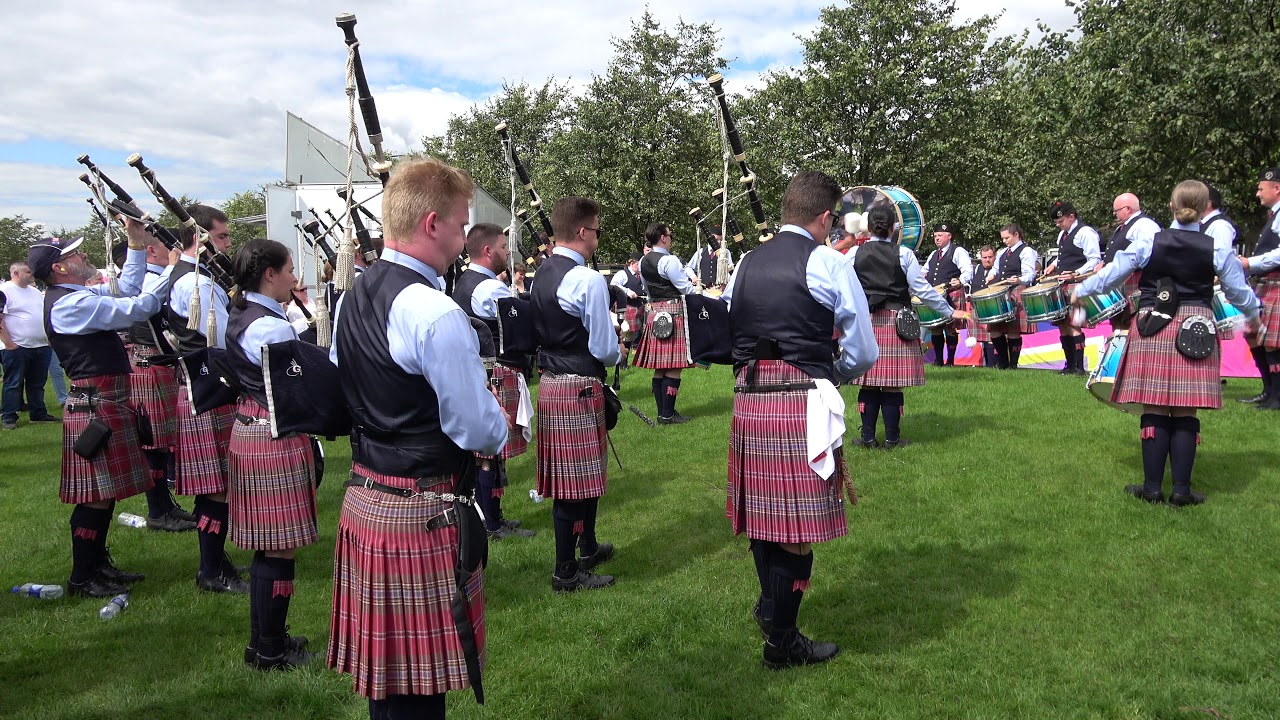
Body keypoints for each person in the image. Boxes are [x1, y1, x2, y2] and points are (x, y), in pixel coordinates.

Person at [328, 158, 507, 719]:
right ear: (432, 224)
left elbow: (345, 382)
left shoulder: (351, 297)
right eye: (460, 224)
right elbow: (476, 427)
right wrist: (501, 421)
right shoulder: (433, 311)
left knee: (395, 685)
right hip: (421, 507)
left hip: (367, 496)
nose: (463, 237)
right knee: (416, 695)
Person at [722, 170, 877, 669]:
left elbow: (731, 322)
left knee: (765, 520)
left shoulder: (744, 262)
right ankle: (782, 641)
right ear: (827, 217)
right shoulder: (828, 262)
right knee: (794, 527)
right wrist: (832, 375)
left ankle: (771, 610)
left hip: (749, 397)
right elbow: (864, 349)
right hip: (800, 399)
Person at [1073, 180, 1260, 505]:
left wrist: (1081, 290)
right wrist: (1254, 316)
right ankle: (1182, 492)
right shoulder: (1214, 246)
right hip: (1196, 326)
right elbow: (1237, 291)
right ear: (1204, 210)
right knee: (1186, 409)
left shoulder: (1149, 240)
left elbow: (1113, 273)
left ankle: (1152, 488)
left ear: (1171, 208)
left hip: (1152, 326)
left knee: (1156, 405)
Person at [31, 233, 179, 597]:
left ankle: (98, 564)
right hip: (94, 404)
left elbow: (127, 287)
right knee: (95, 495)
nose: (83, 254)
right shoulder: (69, 305)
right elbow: (138, 307)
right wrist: (174, 271)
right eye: (74, 253)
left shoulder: (77, 295)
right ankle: (83, 575)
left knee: (105, 493)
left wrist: (133, 242)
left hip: (104, 401)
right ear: (59, 267)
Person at [224, 239, 319, 670]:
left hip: (252, 427)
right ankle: (271, 650)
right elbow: (301, 385)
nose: (294, 278)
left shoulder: (247, 313)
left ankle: (263, 641)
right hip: (273, 435)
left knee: (268, 547)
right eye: (289, 270)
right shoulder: (271, 327)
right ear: (269, 274)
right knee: (279, 548)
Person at [531, 196, 621, 592]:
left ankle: (587, 547)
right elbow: (604, 348)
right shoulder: (586, 279)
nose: (598, 238)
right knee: (575, 481)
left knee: (581, 476)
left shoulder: (542, 273)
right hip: (579, 385)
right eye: (597, 231)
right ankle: (566, 570)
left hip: (552, 383)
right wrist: (619, 351)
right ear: (583, 232)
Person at [167, 205, 247, 593]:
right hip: (209, 391)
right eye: (222, 236)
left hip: (202, 390)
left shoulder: (190, 276)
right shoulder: (196, 282)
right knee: (215, 487)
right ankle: (211, 569)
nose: (228, 244)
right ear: (199, 239)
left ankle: (215, 562)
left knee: (215, 486)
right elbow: (219, 341)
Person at [452, 223, 536, 540]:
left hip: (482, 370)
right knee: (490, 454)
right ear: (488, 251)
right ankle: (491, 524)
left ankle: (494, 516)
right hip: (496, 372)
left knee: (491, 453)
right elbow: (522, 324)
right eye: (502, 247)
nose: (506, 252)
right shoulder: (489, 289)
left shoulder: (465, 283)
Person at [109, 235, 197, 533]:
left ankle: (165, 505)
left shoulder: (154, 277)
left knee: (161, 443)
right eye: (166, 245)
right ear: (151, 250)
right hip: (149, 361)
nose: (172, 250)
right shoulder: (148, 280)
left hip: (159, 361)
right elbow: (144, 308)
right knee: (153, 443)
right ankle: (158, 510)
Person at [850, 204, 957, 448]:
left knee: (868, 381)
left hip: (866, 323)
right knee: (891, 384)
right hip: (896, 322)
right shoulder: (904, 254)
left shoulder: (853, 254)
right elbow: (922, 290)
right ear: (892, 228)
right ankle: (892, 439)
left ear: (868, 228)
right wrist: (948, 310)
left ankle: (867, 438)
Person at [634, 223, 697, 424]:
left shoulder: (643, 261)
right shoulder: (670, 261)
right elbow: (685, 288)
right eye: (670, 235)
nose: (671, 238)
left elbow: (648, 289)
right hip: (674, 312)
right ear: (662, 237)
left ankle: (663, 413)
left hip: (655, 313)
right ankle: (667, 415)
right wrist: (706, 295)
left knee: (660, 367)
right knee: (674, 366)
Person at [1043, 201, 1102, 374]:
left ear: (1071, 216)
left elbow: (1094, 260)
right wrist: (1053, 265)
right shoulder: (1063, 235)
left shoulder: (1085, 233)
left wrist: (1075, 273)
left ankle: (1079, 367)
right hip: (1062, 284)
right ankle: (1069, 365)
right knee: (1063, 324)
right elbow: (1063, 256)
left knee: (1075, 324)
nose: (1058, 225)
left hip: (1079, 285)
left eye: (1060, 221)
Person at [1, 260, 59, 429]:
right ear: (15, 274)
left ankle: (38, 413)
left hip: (40, 345)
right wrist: (9, 344)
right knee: (13, 382)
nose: (31, 274)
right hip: (17, 346)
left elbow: (42, 316)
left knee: (37, 383)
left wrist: (47, 339)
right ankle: (9, 416)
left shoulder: (34, 292)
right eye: (27, 272)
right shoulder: (5, 291)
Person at [1241, 167, 1280, 410]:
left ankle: (1276, 397)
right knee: (1257, 336)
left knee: (1273, 343)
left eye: (1260, 189)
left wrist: (1250, 262)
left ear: (1277, 188)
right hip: (1266, 283)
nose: (1257, 194)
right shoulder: (1274, 216)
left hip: (1276, 282)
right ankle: (1270, 391)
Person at [1104, 194, 1162, 332]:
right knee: (1120, 327)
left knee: (1134, 326)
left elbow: (1150, 254)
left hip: (1136, 282)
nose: (1115, 215)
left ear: (1128, 209)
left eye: (1116, 211)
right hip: (1122, 284)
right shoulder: (1123, 227)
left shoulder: (1145, 225)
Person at [988, 224, 1041, 369]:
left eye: (1007, 238)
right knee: (995, 329)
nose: (1004, 241)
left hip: (1017, 289)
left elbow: (1030, 274)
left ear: (1016, 234)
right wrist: (991, 274)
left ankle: (1013, 364)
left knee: (1013, 329)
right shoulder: (1003, 252)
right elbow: (996, 268)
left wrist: (1018, 280)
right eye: (1003, 238)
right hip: (1002, 290)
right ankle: (1003, 362)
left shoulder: (1027, 251)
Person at [922, 222, 972, 366]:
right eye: (935, 236)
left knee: (950, 328)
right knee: (936, 328)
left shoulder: (958, 251)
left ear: (949, 236)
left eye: (940, 236)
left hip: (951, 293)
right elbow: (924, 271)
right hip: (935, 295)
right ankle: (938, 361)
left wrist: (961, 281)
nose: (936, 238)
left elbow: (967, 270)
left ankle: (950, 361)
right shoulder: (933, 254)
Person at [609, 252, 645, 369]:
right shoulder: (622, 274)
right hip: (626, 306)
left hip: (638, 306)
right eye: (639, 264)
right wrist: (628, 292)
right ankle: (621, 361)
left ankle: (624, 362)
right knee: (626, 332)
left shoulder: (640, 275)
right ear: (632, 263)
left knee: (632, 333)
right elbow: (614, 285)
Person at [967, 246, 997, 366]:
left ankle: (992, 365)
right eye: (984, 257)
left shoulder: (998, 270)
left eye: (990, 257)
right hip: (977, 307)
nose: (987, 260)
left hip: (992, 308)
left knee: (991, 338)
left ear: (995, 257)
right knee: (982, 339)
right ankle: (986, 365)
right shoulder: (977, 268)